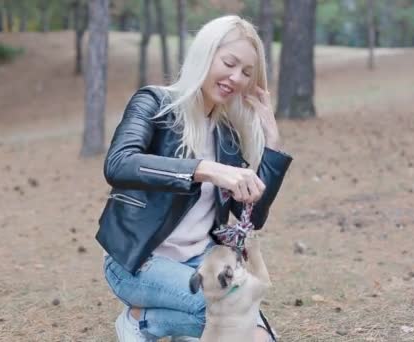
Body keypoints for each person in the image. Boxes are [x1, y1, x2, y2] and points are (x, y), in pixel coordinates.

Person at [96, 15, 293, 342]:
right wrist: (206, 169)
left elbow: (253, 217)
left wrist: (272, 142)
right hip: (138, 261)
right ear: (206, 54)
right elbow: (119, 163)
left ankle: (145, 321)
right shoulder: (154, 104)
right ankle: (141, 322)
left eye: (246, 72)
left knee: (260, 336)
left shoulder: (227, 137)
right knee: (228, 315)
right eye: (229, 63)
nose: (236, 77)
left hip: (201, 261)